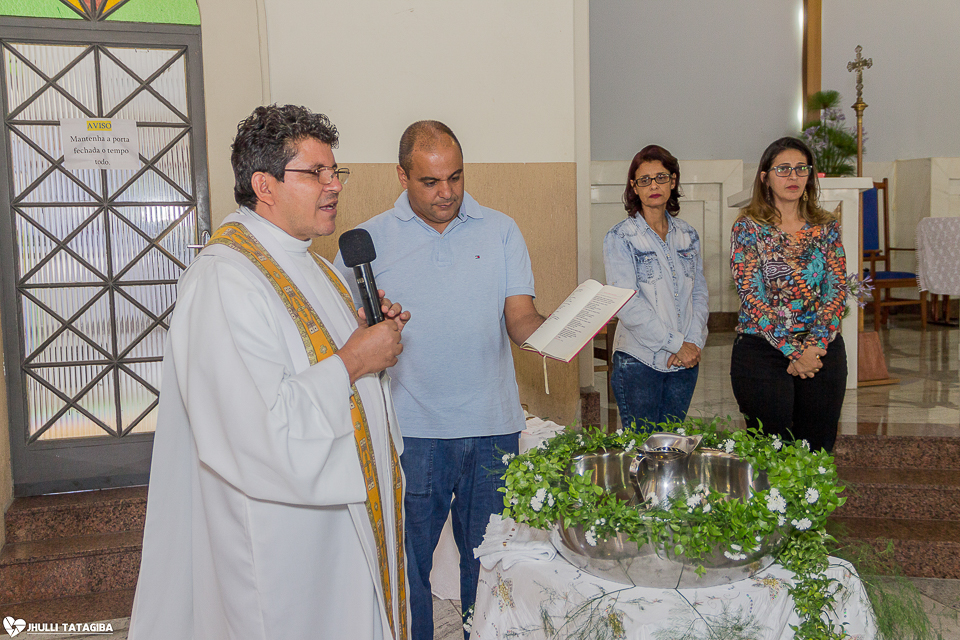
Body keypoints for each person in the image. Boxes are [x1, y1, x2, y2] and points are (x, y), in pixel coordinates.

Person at [128, 105, 412, 640]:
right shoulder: (225, 279)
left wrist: (374, 342)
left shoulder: (313, 265)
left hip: (341, 525)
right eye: (316, 173)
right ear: (265, 185)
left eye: (335, 172)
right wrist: (355, 358)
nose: (334, 187)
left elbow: (338, 376)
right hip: (287, 549)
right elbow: (256, 429)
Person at [335, 120, 545, 640]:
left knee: (491, 562)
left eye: (455, 177)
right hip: (414, 432)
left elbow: (521, 318)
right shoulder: (367, 242)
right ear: (401, 175)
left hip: (493, 427)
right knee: (410, 568)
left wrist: (560, 333)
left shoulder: (501, 230)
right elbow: (347, 342)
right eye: (430, 182)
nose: (447, 192)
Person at [730, 136, 848, 452]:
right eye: (783, 169)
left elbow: (836, 289)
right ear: (765, 177)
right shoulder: (748, 227)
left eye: (800, 169)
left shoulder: (826, 227)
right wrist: (794, 352)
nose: (793, 176)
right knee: (771, 453)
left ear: (810, 176)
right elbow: (752, 296)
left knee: (817, 448)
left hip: (821, 351)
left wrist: (814, 346)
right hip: (762, 350)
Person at [602, 145, 709, 432]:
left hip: (683, 363)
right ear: (634, 188)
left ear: (673, 181)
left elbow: (698, 293)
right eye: (644, 180)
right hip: (639, 362)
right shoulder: (620, 237)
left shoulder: (687, 234)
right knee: (642, 451)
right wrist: (677, 344)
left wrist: (694, 343)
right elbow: (626, 304)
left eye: (660, 177)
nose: (654, 186)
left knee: (672, 448)